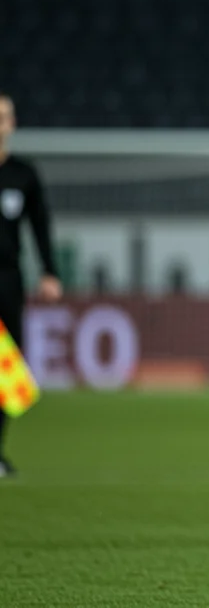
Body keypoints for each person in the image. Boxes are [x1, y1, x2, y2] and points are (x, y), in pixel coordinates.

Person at [0, 93, 64, 478]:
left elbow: (40, 225)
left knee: (8, 374)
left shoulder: (23, 175)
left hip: (7, 279)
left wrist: (50, 271)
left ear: (13, 124)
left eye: (4, 116)